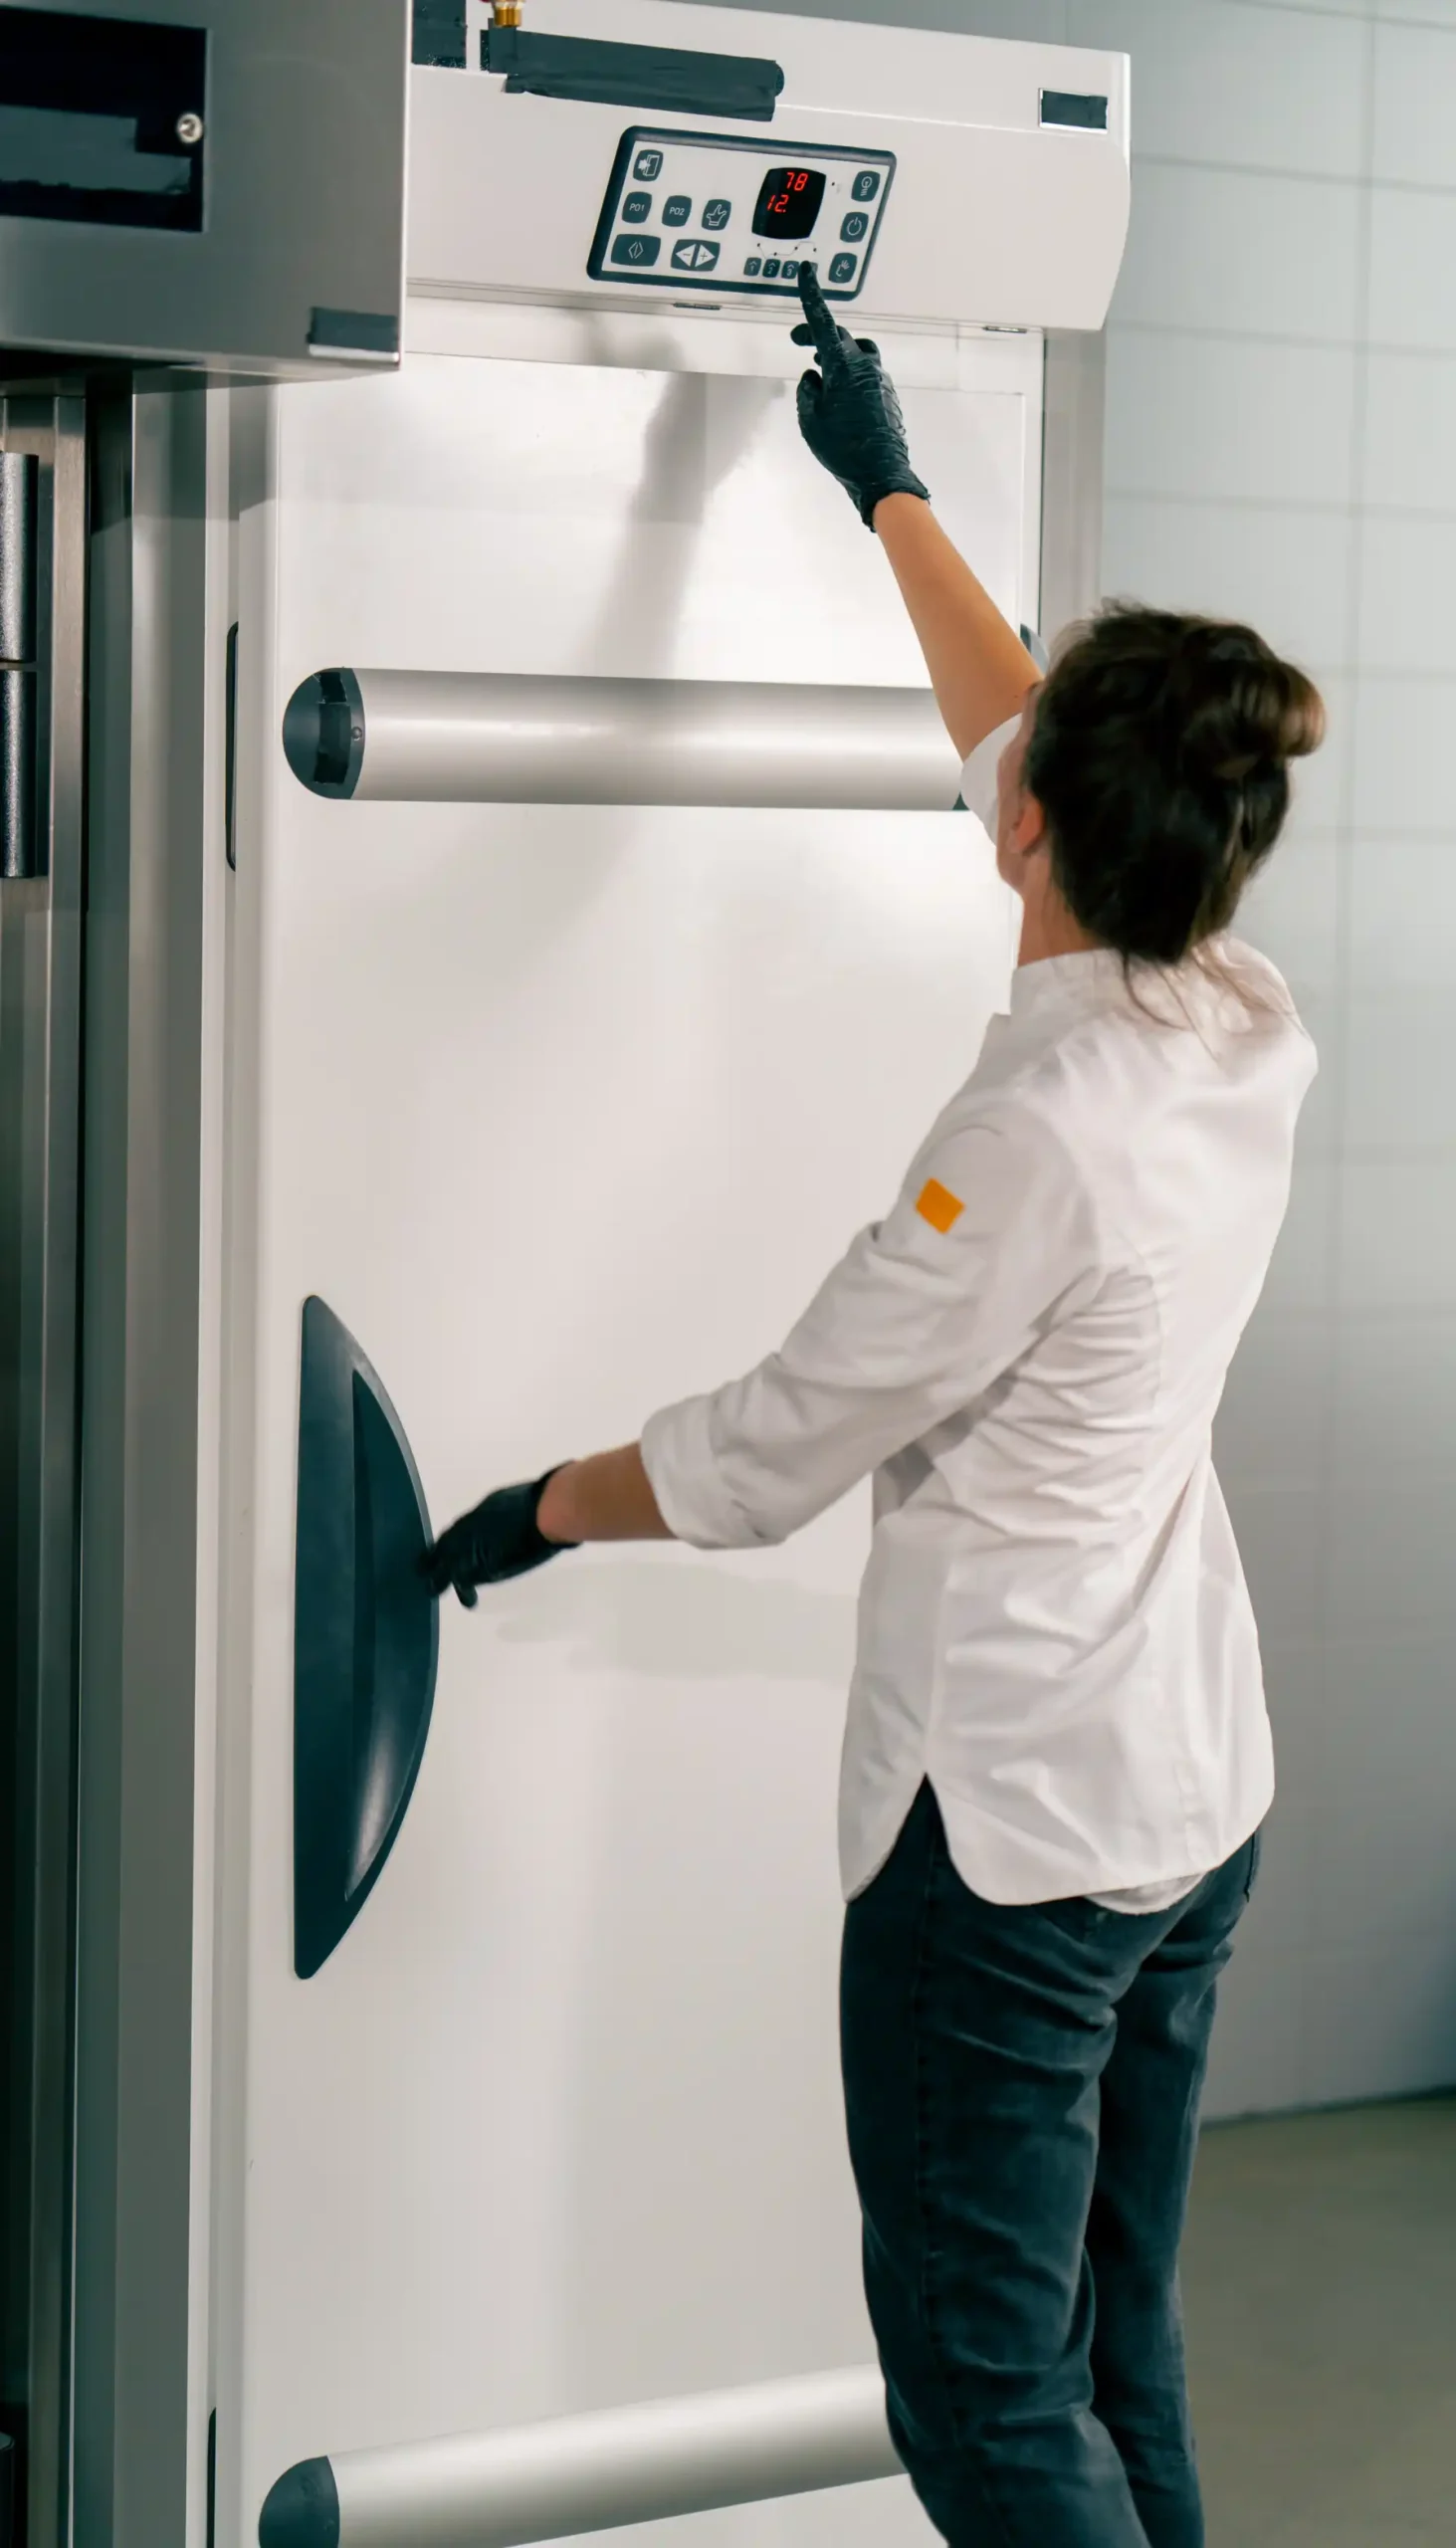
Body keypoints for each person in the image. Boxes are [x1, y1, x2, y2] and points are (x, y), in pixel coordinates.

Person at [422, 264, 1324, 2548]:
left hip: (1006, 1842)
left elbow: (764, 1445)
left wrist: (534, 1501)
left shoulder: (1020, 1142)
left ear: (1038, 835)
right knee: (1115, 2340)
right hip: (1184, 1790)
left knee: (984, 2400)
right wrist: (888, 480)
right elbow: (1019, 719)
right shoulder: (1235, 1008)